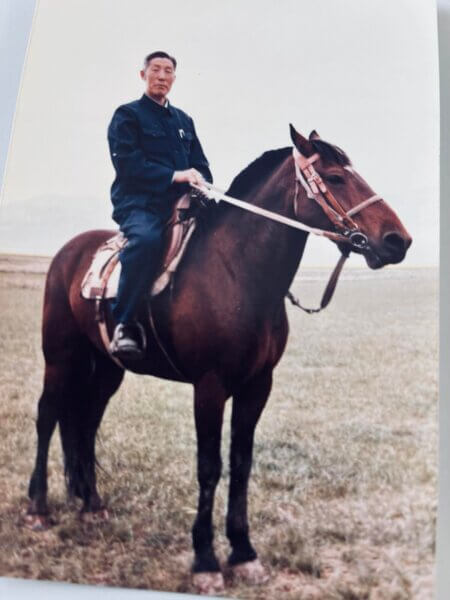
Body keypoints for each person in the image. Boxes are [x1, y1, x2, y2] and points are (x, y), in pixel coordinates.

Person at [107, 51, 213, 360]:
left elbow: (201, 165)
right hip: (140, 203)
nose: (162, 76)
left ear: (175, 79)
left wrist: (200, 181)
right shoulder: (127, 116)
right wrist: (176, 175)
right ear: (143, 75)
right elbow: (128, 164)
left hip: (183, 203)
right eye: (156, 70)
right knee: (146, 241)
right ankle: (124, 323)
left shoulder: (184, 121)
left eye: (168, 71)